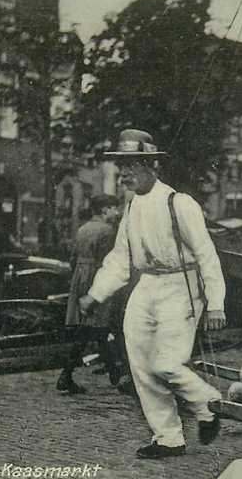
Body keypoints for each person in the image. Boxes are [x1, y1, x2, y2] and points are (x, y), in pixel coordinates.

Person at [78, 129, 226, 459]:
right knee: (142, 365)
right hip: (147, 286)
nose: (124, 173)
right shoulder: (132, 208)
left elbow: (206, 254)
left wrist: (215, 304)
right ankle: (168, 437)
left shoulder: (180, 203)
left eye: (131, 165)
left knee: (167, 363)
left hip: (181, 285)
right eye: (121, 166)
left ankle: (207, 403)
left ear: (151, 166)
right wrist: (95, 294)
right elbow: (120, 256)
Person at [56, 193, 122, 394]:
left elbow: (73, 259)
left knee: (94, 330)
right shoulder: (108, 231)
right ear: (104, 210)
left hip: (80, 279)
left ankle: (114, 375)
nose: (116, 212)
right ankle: (114, 376)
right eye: (113, 208)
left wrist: (78, 279)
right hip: (96, 279)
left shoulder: (83, 228)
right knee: (96, 328)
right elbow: (109, 263)